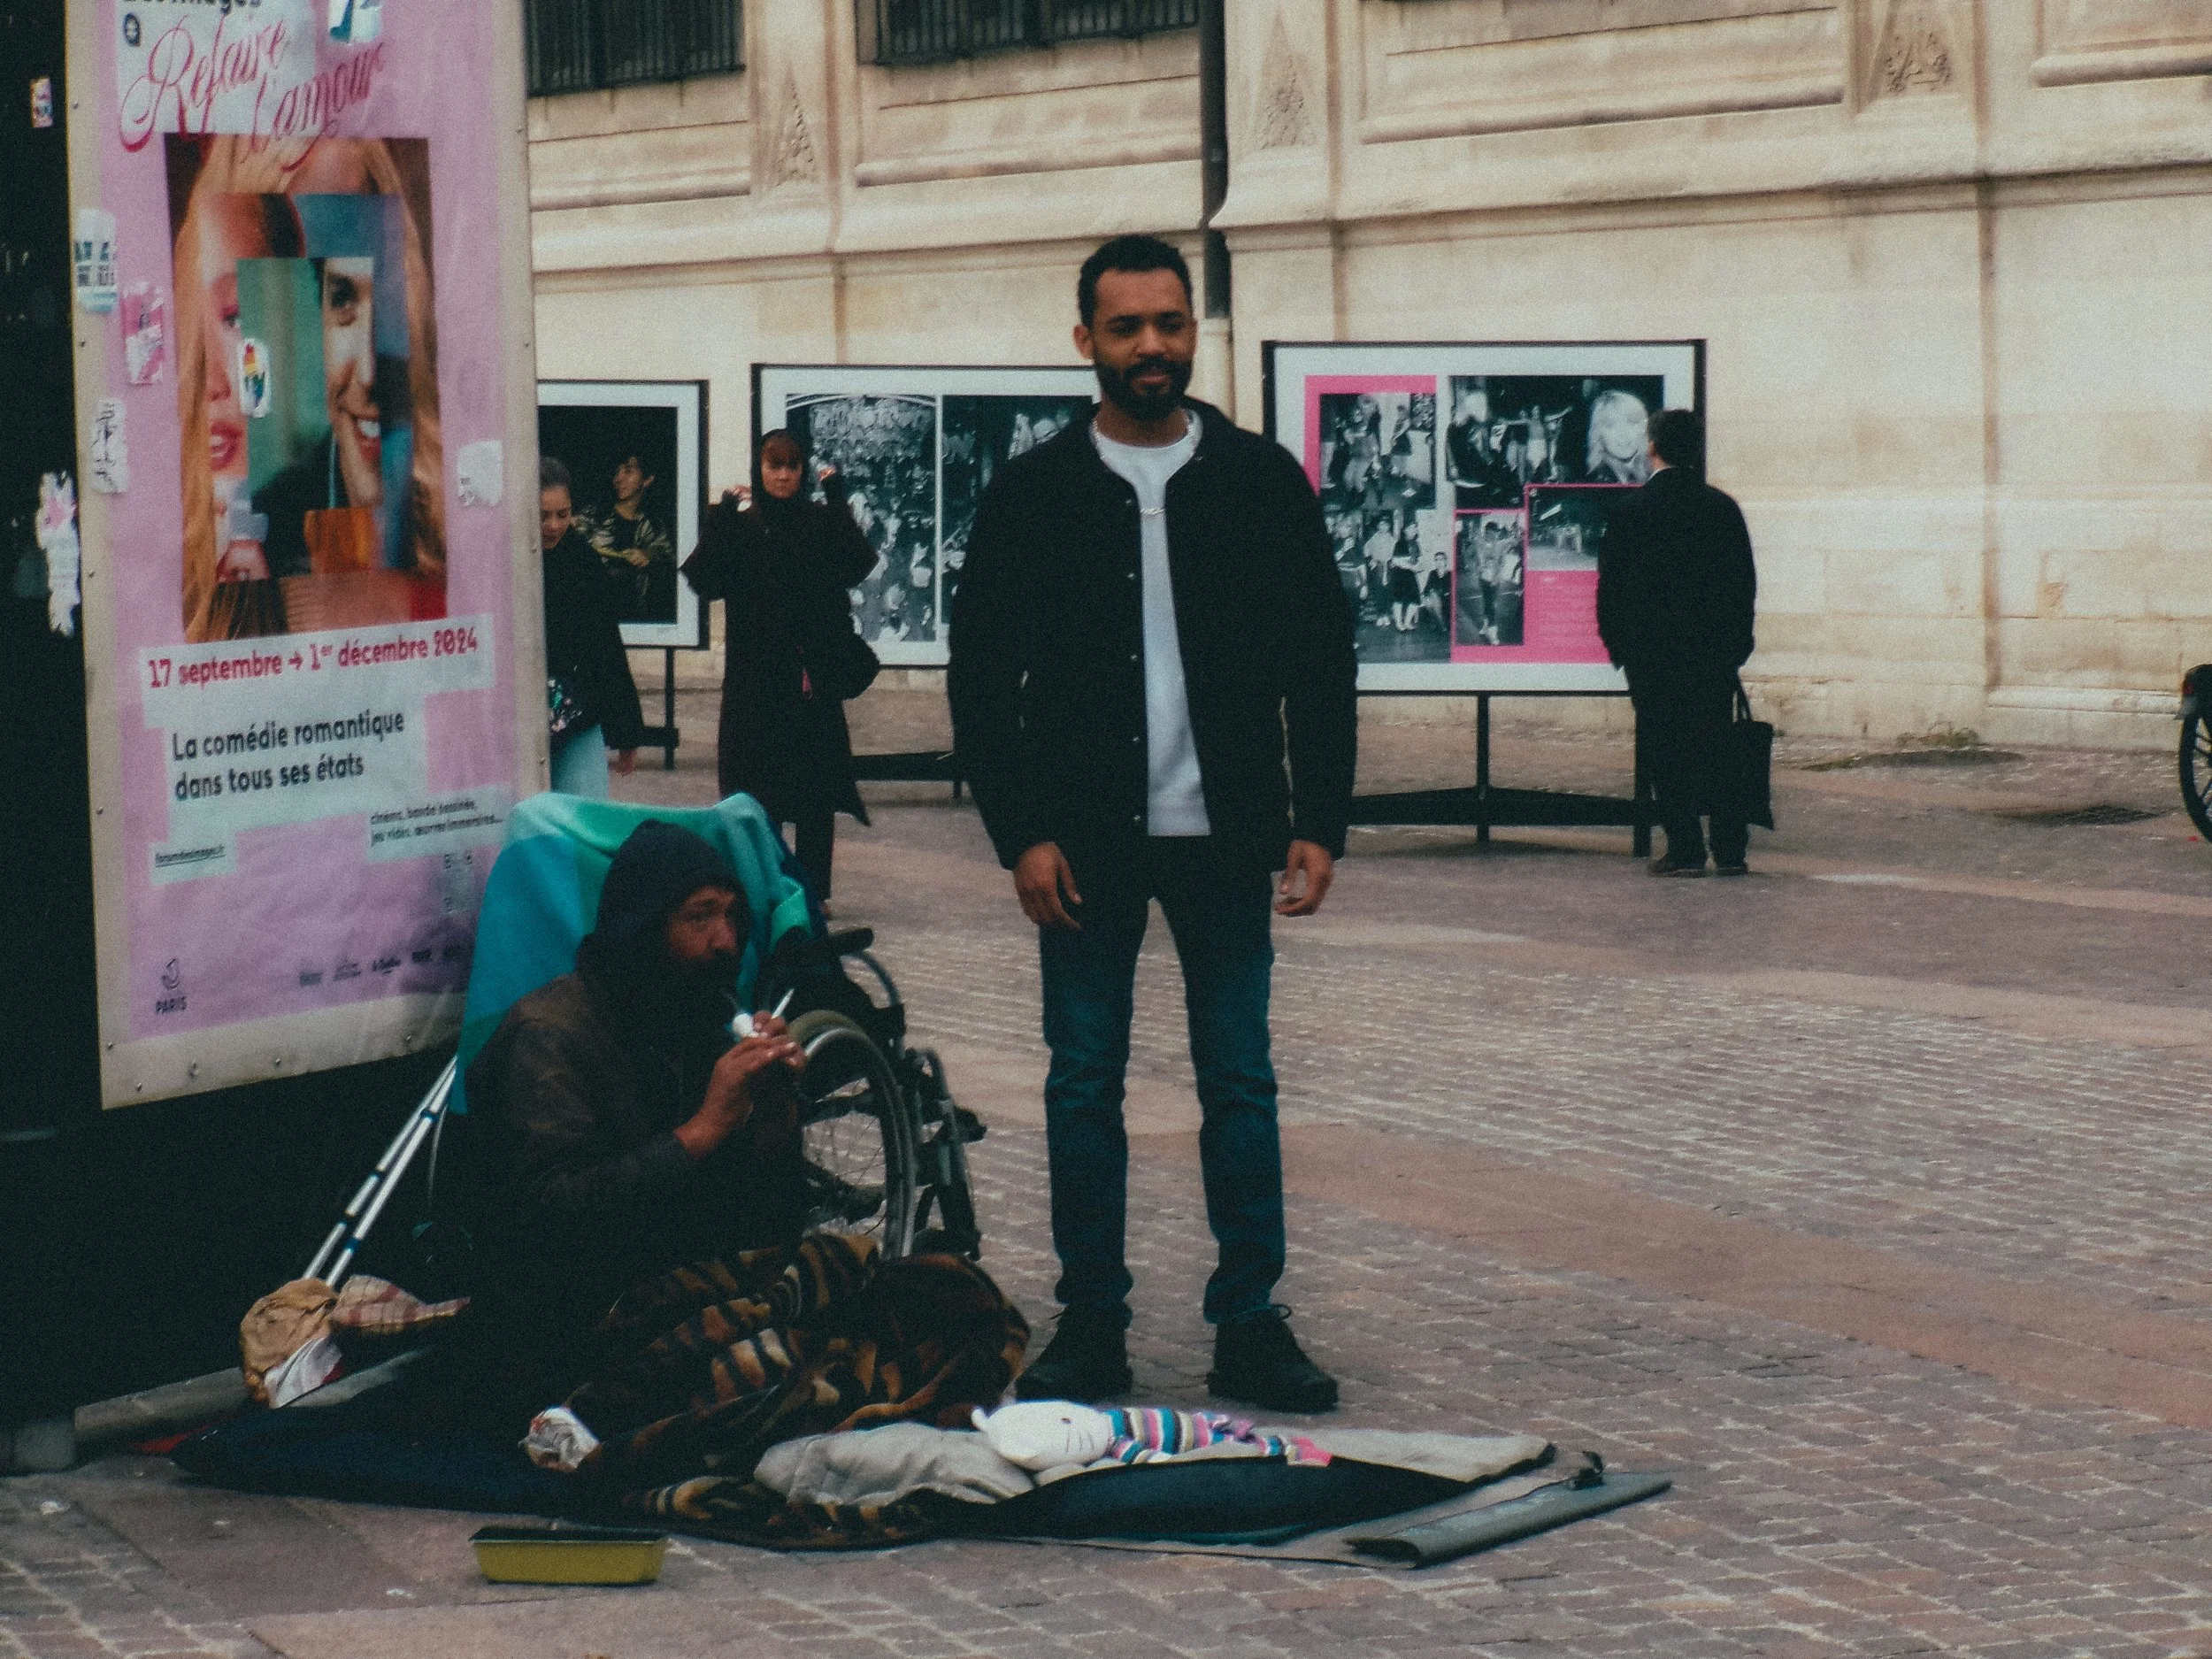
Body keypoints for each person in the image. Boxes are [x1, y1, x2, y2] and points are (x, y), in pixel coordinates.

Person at [948, 234, 1358, 1413]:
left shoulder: (1258, 478)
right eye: (1125, 327)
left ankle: (1249, 1320)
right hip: (1087, 840)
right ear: (1086, 339)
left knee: (1240, 1080)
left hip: (1227, 833)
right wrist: (1020, 832)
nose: (1151, 347)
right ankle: (1091, 1321)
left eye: (1169, 323)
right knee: (1084, 1081)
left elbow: (1319, 657)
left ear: (1191, 331)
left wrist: (1320, 818)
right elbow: (983, 677)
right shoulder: (1035, 490)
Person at [457, 820, 1029, 1459]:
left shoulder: (694, 1015)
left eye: (732, 916)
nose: (725, 940)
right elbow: (547, 1220)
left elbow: (765, 1223)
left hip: (699, 1292)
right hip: (577, 1321)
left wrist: (772, 1112)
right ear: (643, 926)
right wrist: (700, 1132)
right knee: (773, 1371)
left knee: (945, 1296)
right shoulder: (550, 1036)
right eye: (700, 917)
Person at [682, 430, 877, 900]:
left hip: (810, 683)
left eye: (792, 466)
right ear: (760, 469)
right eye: (774, 466)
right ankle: (764, 885)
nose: (784, 476)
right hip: (755, 685)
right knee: (756, 794)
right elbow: (704, 580)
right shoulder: (741, 526)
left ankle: (813, 893)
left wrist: (837, 499)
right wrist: (722, 515)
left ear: (803, 470)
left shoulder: (819, 520)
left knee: (815, 795)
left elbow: (856, 564)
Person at [1596, 409, 1758, 876]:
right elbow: (1742, 584)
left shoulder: (1631, 512)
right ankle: (1729, 848)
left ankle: (1685, 846)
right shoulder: (1722, 508)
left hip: (1652, 655)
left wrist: (1620, 648)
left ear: (1652, 448)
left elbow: (1612, 590)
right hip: (1711, 653)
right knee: (1717, 745)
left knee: (1664, 748)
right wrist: (1736, 645)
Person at [541, 457, 643, 796]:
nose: (554, 526)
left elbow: (606, 647)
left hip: (576, 712)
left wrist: (626, 731)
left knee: (585, 811)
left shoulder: (582, 561)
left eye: (563, 514)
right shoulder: (500, 560)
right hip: (514, 715)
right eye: (543, 515)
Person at [578, 452, 676, 619]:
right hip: (594, 613)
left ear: (647, 480)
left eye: (628, 471)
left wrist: (649, 554)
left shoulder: (652, 525)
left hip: (636, 616)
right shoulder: (595, 516)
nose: (618, 479)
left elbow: (669, 558)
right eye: (617, 472)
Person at [1584, 388, 1654, 487]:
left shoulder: (1657, 475)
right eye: (1610, 426)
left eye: (1631, 423)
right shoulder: (1593, 485)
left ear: (1644, 428)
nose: (1623, 434)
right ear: (1598, 434)